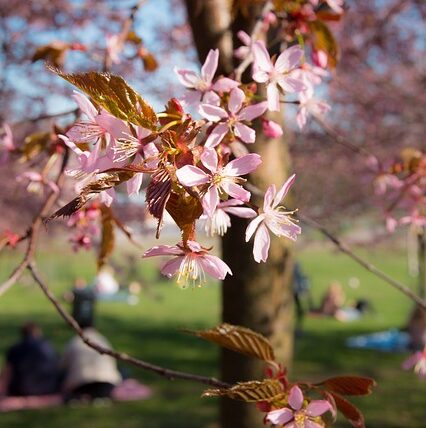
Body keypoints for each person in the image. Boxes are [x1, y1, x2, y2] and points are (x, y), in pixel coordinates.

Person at [61, 319, 122, 403]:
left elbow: (63, 365)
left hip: (80, 384)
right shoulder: (102, 339)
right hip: (107, 383)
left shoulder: (74, 341)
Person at [0, 323, 60, 397]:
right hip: (48, 389)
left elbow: (7, 372)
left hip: (21, 390)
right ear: (38, 332)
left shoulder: (15, 349)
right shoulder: (49, 348)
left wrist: (2, 391)